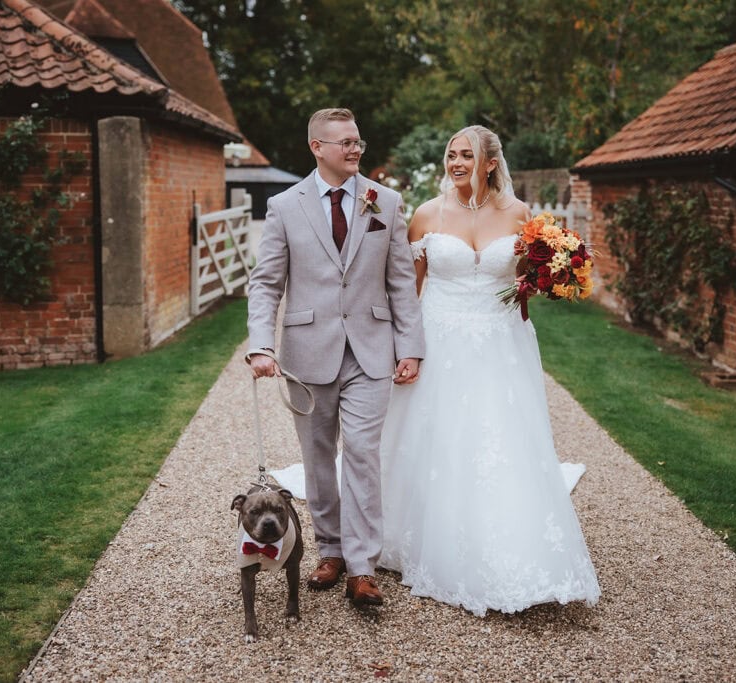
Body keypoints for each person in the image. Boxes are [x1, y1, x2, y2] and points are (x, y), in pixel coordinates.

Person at [377, 125, 601, 616]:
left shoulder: (521, 215)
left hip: (502, 343)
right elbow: (409, 293)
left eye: (466, 155)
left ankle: (511, 548)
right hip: (440, 339)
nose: (456, 163)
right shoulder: (426, 215)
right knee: (437, 438)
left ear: (491, 163)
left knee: (501, 439)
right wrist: (404, 349)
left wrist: (551, 276)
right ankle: (427, 538)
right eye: (451, 155)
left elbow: (522, 286)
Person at [246, 108, 425, 607]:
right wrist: (260, 344)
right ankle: (330, 550)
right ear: (316, 147)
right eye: (344, 142)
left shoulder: (385, 201)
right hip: (307, 353)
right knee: (318, 457)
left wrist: (410, 347)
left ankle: (362, 567)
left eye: (357, 141)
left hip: (371, 351)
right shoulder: (285, 206)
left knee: (363, 455)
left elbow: (401, 282)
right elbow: (266, 284)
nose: (355, 149)